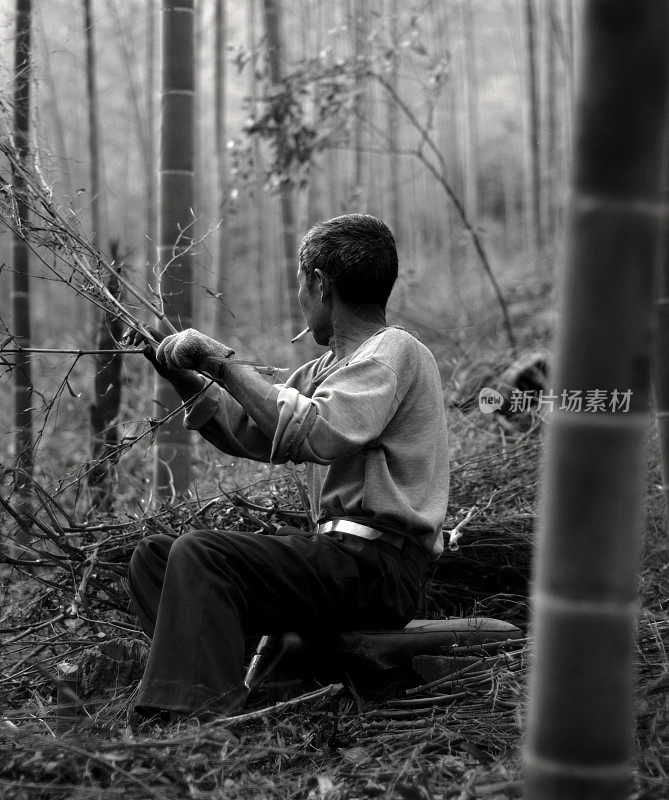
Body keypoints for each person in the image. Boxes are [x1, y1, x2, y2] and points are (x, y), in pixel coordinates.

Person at [126, 213, 449, 720]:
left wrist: (220, 361)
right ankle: (242, 689)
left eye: (301, 284)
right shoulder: (328, 367)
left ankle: (201, 720)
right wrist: (182, 374)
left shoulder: (394, 352)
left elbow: (317, 431)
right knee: (156, 559)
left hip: (380, 567)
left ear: (319, 285)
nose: (300, 296)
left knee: (202, 553)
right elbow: (253, 430)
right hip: (343, 560)